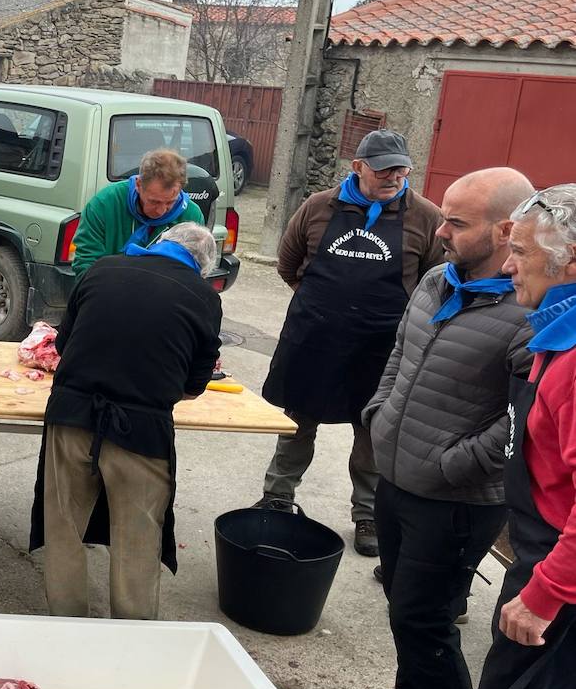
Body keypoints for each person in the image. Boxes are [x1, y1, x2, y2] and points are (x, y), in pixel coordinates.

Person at [342, 168, 535, 689]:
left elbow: (521, 420)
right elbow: (400, 352)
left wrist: (453, 462)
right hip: (398, 477)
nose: (441, 229)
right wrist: (380, 413)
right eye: (444, 215)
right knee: (403, 602)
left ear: (506, 231)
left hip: (456, 501)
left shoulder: (524, 312)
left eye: (457, 221)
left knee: (426, 618)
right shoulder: (434, 278)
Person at [446, 184, 576, 689]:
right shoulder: (558, 332)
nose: (506, 266)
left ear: (570, 260)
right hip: (548, 555)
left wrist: (545, 594)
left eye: (520, 252)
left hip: (563, 570)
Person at [256, 130, 445, 556]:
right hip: (315, 340)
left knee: (372, 430)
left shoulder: (425, 216)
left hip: (381, 348)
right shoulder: (318, 207)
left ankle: (367, 515)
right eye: (383, 169)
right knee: (297, 423)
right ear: (357, 167)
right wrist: (326, 308)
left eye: (400, 168)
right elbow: (289, 265)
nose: (393, 176)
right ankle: (278, 495)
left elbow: (434, 281)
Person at [30, 223, 222, 619]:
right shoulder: (203, 296)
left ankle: (65, 625)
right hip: (141, 433)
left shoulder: (101, 269)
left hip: (71, 416)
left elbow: (64, 345)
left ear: (160, 244)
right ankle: (132, 639)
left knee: (63, 527)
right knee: (138, 539)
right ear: (200, 265)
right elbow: (194, 386)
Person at [70, 148, 205, 277]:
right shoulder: (105, 203)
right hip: (108, 289)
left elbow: (193, 272)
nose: (161, 211)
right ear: (139, 184)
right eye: (154, 202)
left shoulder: (191, 217)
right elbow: (86, 262)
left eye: (170, 202)